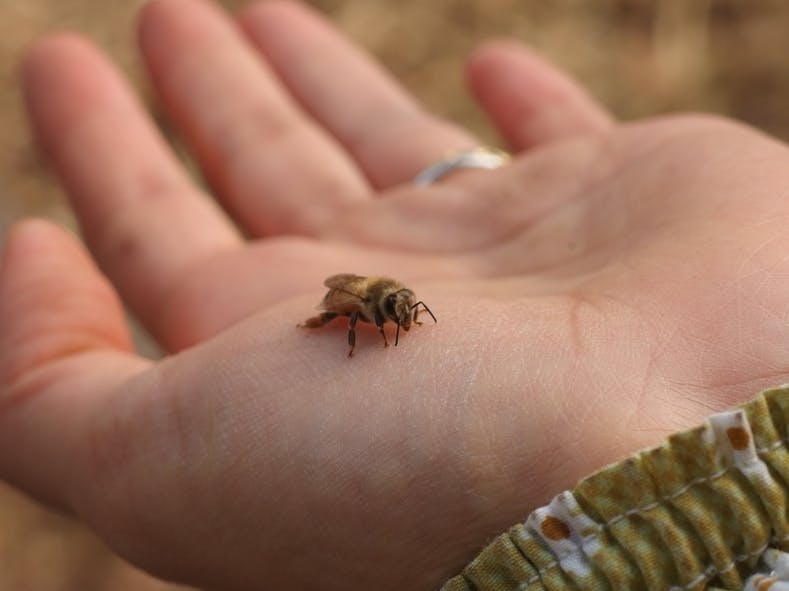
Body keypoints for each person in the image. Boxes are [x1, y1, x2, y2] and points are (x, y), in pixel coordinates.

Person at [2, 0, 789, 589]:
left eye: (403, 316)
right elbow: (355, 301)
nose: (402, 323)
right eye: (397, 316)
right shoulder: (361, 311)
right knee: (330, 317)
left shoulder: (403, 306)